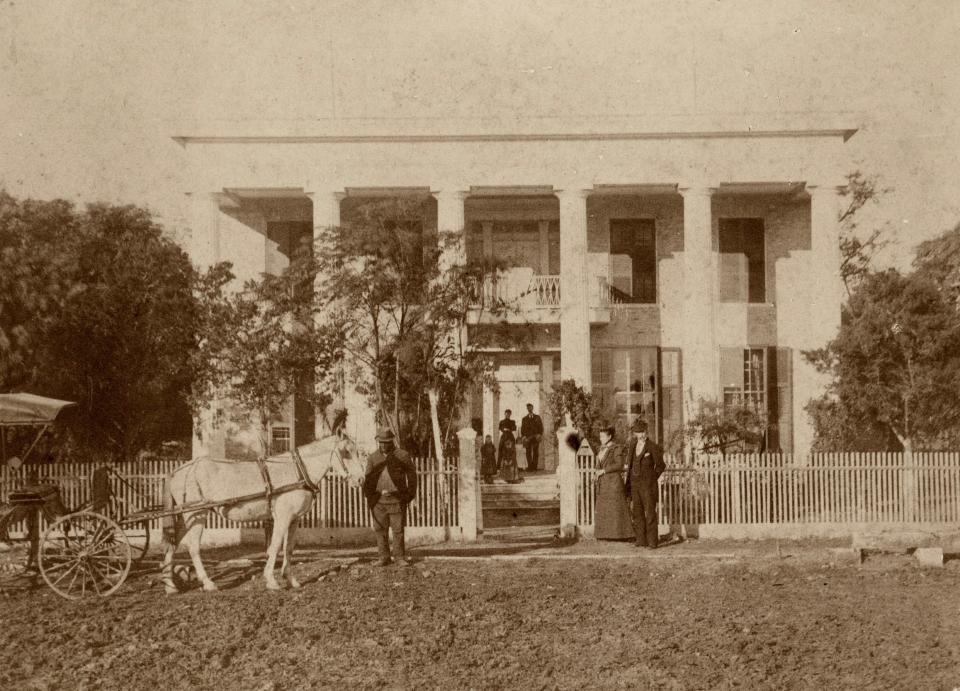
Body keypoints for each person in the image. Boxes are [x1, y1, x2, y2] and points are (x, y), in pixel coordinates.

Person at [362, 428, 418, 566]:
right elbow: (367, 480)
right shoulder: (373, 458)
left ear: (392, 441)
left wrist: (409, 495)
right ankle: (383, 557)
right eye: (381, 442)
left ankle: (399, 557)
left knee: (398, 530)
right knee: (380, 529)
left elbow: (412, 476)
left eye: (386, 442)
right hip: (379, 502)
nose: (383, 445)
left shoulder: (402, 455)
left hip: (397, 500)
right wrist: (371, 498)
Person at [624, 419, 665, 549]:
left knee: (650, 513)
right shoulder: (632, 445)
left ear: (646, 432)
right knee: (637, 512)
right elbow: (630, 465)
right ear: (635, 433)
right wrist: (629, 483)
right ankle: (641, 540)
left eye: (642, 432)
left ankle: (652, 542)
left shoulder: (652, 446)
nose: (640, 435)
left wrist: (652, 478)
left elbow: (661, 465)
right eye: (637, 432)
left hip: (647, 486)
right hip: (634, 484)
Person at [594, 426, 634, 540]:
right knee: (605, 509)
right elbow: (600, 464)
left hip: (613, 483)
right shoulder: (601, 449)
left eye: (603, 436)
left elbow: (619, 464)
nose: (600, 438)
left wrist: (604, 471)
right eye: (600, 436)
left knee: (616, 509)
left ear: (610, 436)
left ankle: (623, 535)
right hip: (603, 482)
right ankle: (604, 535)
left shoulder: (617, 448)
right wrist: (597, 472)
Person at [520, 403, 544, 472]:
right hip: (528, 438)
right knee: (528, 452)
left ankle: (534, 467)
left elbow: (541, 427)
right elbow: (522, 429)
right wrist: (524, 436)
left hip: (536, 437)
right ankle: (530, 467)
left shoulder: (537, 417)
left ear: (532, 408)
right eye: (528, 408)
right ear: (527, 409)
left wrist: (539, 434)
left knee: (536, 452)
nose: (529, 409)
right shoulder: (524, 419)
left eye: (530, 407)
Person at [497, 410, 520, 483]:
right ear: (504, 414)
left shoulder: (512, 421)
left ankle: (513, 472)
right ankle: (499, 467)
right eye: (506, 414)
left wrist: (509, 429)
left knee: (511, 451)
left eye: (509, 414)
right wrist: (504, 429)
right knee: (501, 449)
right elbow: (500, 428)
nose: (508, 415)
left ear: (510, 414)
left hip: (510, 437)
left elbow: (514, 428)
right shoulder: (501, 421)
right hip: (504, 437)